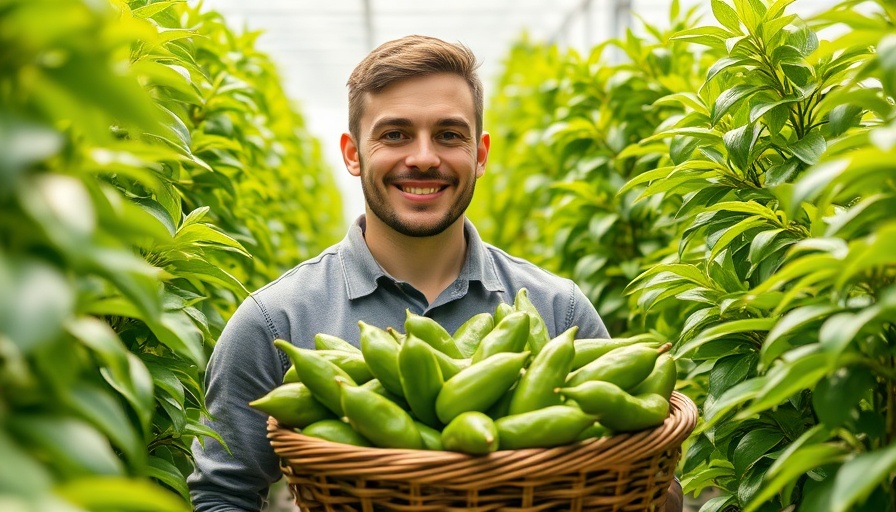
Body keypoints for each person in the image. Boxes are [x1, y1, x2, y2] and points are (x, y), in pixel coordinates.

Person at [188, 34, 683, 512]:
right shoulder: (275, 320)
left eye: (448, 135)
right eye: (395, 134)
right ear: (353, 153)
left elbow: (646, 480)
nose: (423, 158)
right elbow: (221, 495)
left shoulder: (559, 308)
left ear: (480, 154)